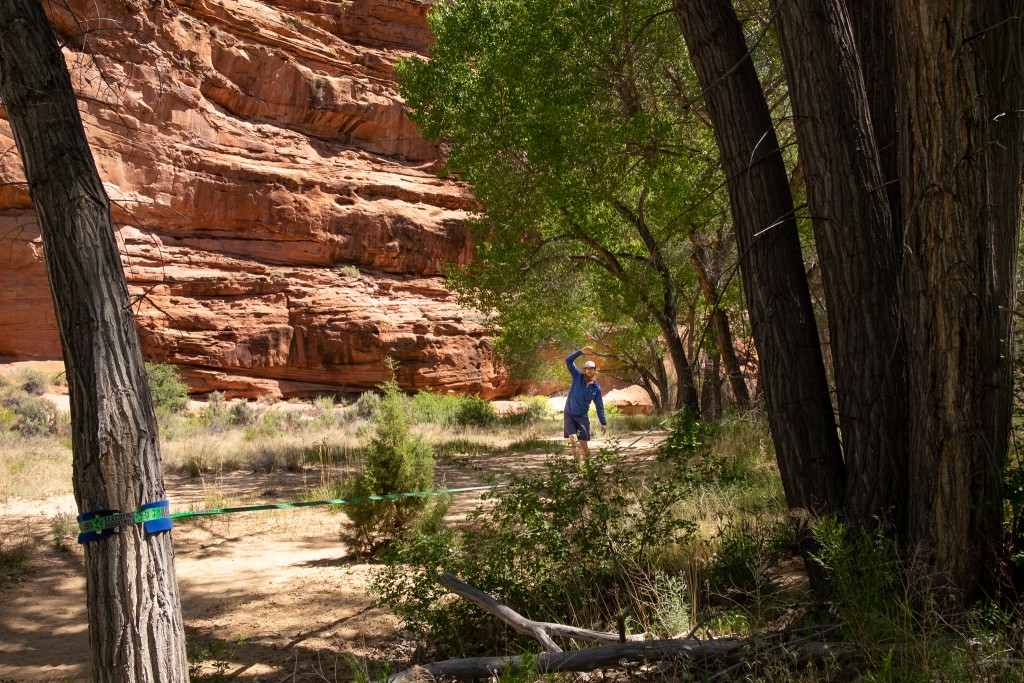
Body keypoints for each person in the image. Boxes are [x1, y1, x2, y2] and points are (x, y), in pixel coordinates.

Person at [563, 346, 607, 466]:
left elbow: (599, 406)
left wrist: (603, 422)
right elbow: (568, 360)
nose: (589, 370)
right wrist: (581, 352)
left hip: (582, 416)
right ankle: (577, 467)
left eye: (592, 368)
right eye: (587, 368)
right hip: (569, 414)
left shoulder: (596, 388)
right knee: (573, 439)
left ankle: (587, 467)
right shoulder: (577, 376)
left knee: (583, 444)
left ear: (595, 370)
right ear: (584, 369)